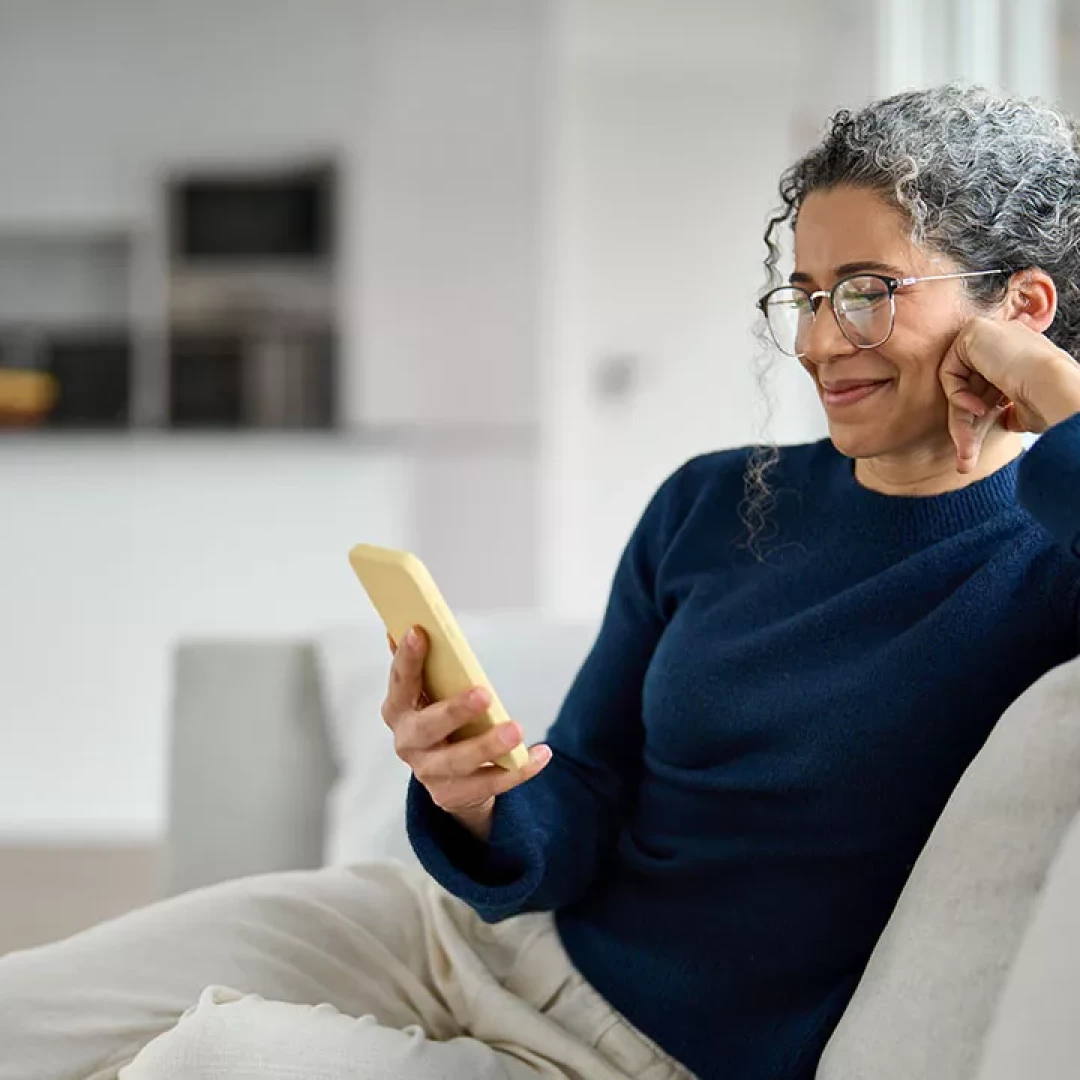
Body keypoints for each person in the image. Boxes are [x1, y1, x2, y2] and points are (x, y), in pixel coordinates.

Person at [4, 82, 1080, 1080]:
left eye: (866, 292)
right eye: (802, 294)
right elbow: (591, 787)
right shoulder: (713, 503)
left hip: (627, 1057)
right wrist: (478, 800)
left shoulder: (1045, 563)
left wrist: (1054, 392)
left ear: (1020, 307)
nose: (817, 340)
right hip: (455, 934)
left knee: (213, 1061)